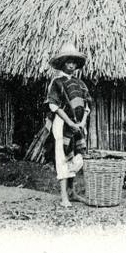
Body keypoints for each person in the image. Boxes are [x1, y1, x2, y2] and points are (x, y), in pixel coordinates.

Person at [46, 43, 92, 207]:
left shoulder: (80, 84)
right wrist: (70, 122)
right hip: (63, 124)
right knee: (63, 157)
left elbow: (86, 106)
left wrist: (82, 122)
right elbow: (54, 106)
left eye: (74, 62)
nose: (71, 65)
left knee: (77, 158)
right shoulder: (57, 83)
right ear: (62, 64)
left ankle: (72, 192)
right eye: (68, 62)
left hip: (78, 125)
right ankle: (64, 196)